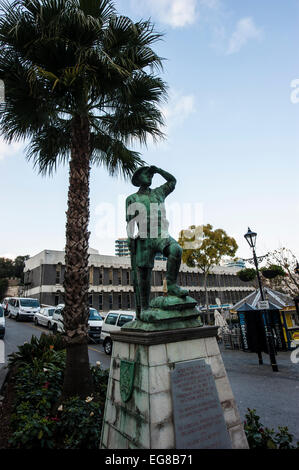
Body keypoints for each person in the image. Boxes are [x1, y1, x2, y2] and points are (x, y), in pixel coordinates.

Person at [126, 166, 188, 315]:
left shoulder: (159, 192)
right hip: (143, 237)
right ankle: (144, 308)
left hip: (160, 233)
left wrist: (159, 170)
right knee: (143, 275)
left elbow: (173, 180)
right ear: (138, 179)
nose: (149, 176)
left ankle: (171, 284)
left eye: (150, 174)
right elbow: (129, 222)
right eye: (145, 174)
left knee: (176, 250)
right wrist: (130, 238)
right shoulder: (132, 199)